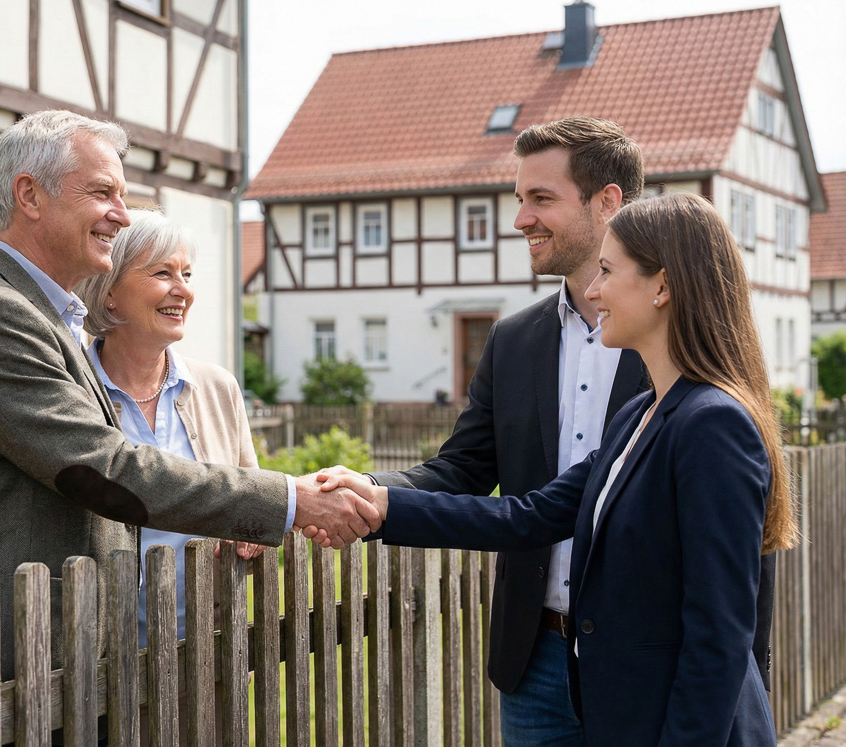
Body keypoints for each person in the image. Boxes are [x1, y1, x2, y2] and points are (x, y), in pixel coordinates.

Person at [0, 109, 376, 693]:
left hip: (59, 656)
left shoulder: (44, 315)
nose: (122, 214)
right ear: (29, 195)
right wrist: (288, 499)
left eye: (122, 196)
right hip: (6, 660)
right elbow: (102, 469)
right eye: (102, 192)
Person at [327, 192, 798, 746]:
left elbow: (718, 636)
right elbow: (529, 516)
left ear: (663, 287)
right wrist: (379, 501)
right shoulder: (639, 416)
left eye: (607, 271)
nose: (593, 291)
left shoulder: (713, 424)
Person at [323, 117, 648, 744]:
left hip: (643, 656)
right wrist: (366, 489)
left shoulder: (674, 338)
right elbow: (463, 469)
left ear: (607, 201)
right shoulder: (513, 340)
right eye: (519, 198)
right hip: (535, 660)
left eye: (541, 198)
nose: (521, 219)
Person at [75, 208, 257, 645]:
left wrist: (249, 534)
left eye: (187, 274)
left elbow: (251, 497)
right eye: (163, 273)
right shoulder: (72, 392)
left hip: (210, 646)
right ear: (110, 292)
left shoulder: (218, 388)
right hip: (103, 655)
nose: (183, 290)